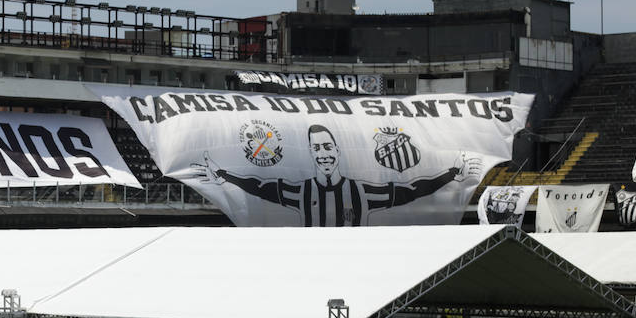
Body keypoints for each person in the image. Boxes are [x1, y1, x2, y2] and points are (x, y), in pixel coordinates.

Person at [192, 122, 479, 226]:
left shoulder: (362, 191)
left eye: (328, 146)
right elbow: (259, 186)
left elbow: (411, 191)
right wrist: (225, 176)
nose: (324, 153)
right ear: (311, 153)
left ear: (337, 151)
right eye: (318, 149)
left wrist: (452, 174)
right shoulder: (300, 191)